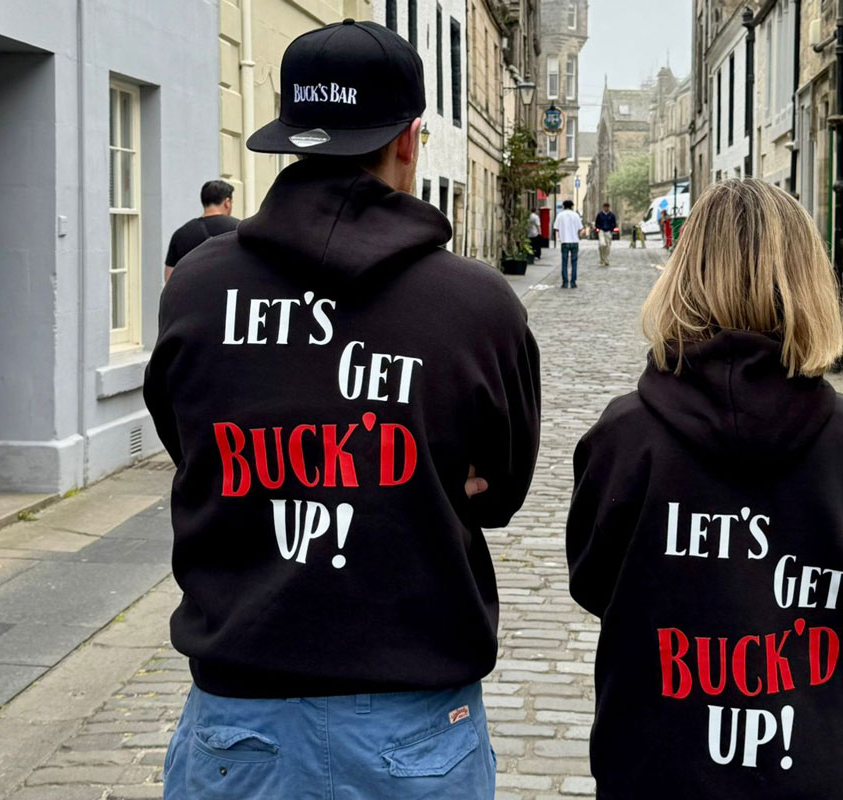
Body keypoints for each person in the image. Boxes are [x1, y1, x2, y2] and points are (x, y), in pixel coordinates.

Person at [145, 19, 541, 800]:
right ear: (409, 140)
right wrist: (417, 473)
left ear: (291, 137)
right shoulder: (477, 305)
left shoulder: (195, 288)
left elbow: (190, 446)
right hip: (413, 715)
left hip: (241, 715)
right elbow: (498, 491)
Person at [566, 179, 843, 800]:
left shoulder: (626, 434)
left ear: (683, 276)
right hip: (809, 762)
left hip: (657, 763)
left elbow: (592, 578)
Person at [164, 180, 239, 283]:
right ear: (227, 202)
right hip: (231, 291)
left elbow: (169, 278)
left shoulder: (181, 234)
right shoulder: (239, 230)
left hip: (192, 291)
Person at [553, 199, 583, 289]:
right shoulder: (576, 215)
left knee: (564, 262)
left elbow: (556, 228)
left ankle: (565, 282)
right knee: (574, 262)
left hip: (564, 241)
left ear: (563, 206)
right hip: (574, 241)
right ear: (572, 206)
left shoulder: (560, 215)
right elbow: (580, 228)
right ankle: (573, 282)